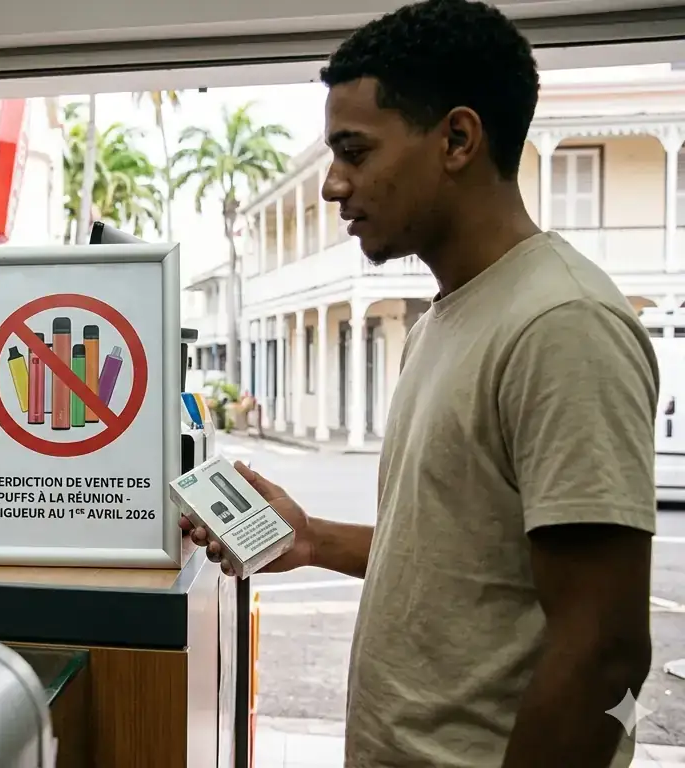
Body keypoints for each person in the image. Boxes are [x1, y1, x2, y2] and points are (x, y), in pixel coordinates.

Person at [185, 2, 657, 766]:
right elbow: (462, 561)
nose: (333, 185)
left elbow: (603, 650)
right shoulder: (440, 322)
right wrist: (311, 539)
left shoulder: (562, 324)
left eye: (355, 151)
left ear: (458, 140)